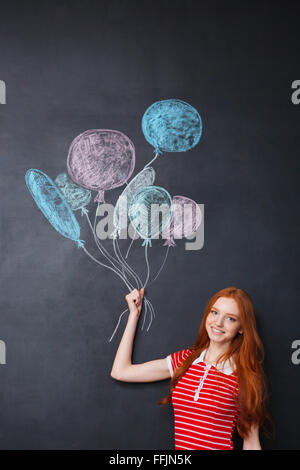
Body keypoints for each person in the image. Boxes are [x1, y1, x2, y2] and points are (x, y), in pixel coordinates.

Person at [110, 286, 272, 450]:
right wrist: (134, 315)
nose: (218, 322)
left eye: (230, 318)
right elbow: (121, 371)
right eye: (214, 312)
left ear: (242, 328)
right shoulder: (185, 360)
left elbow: (251, 442)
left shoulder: (245, 376)